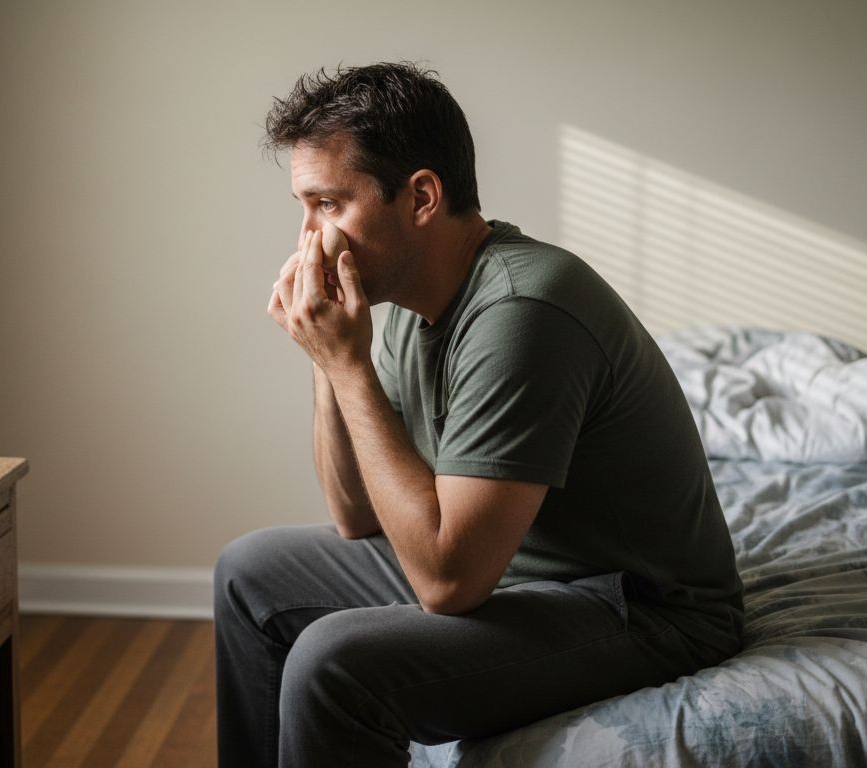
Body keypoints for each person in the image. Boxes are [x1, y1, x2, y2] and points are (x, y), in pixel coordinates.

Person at [214, 61, 744, 768]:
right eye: (304, 207)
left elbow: (447, 583)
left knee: (332, 662)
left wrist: (347, 367)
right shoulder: (406, 306)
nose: (309, 238)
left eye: (329, 204)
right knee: (248, 572)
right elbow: (355, 516)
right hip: (516, 570)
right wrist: (328, 357)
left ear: (421, 197)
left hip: (640, 609)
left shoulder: (523, 311)